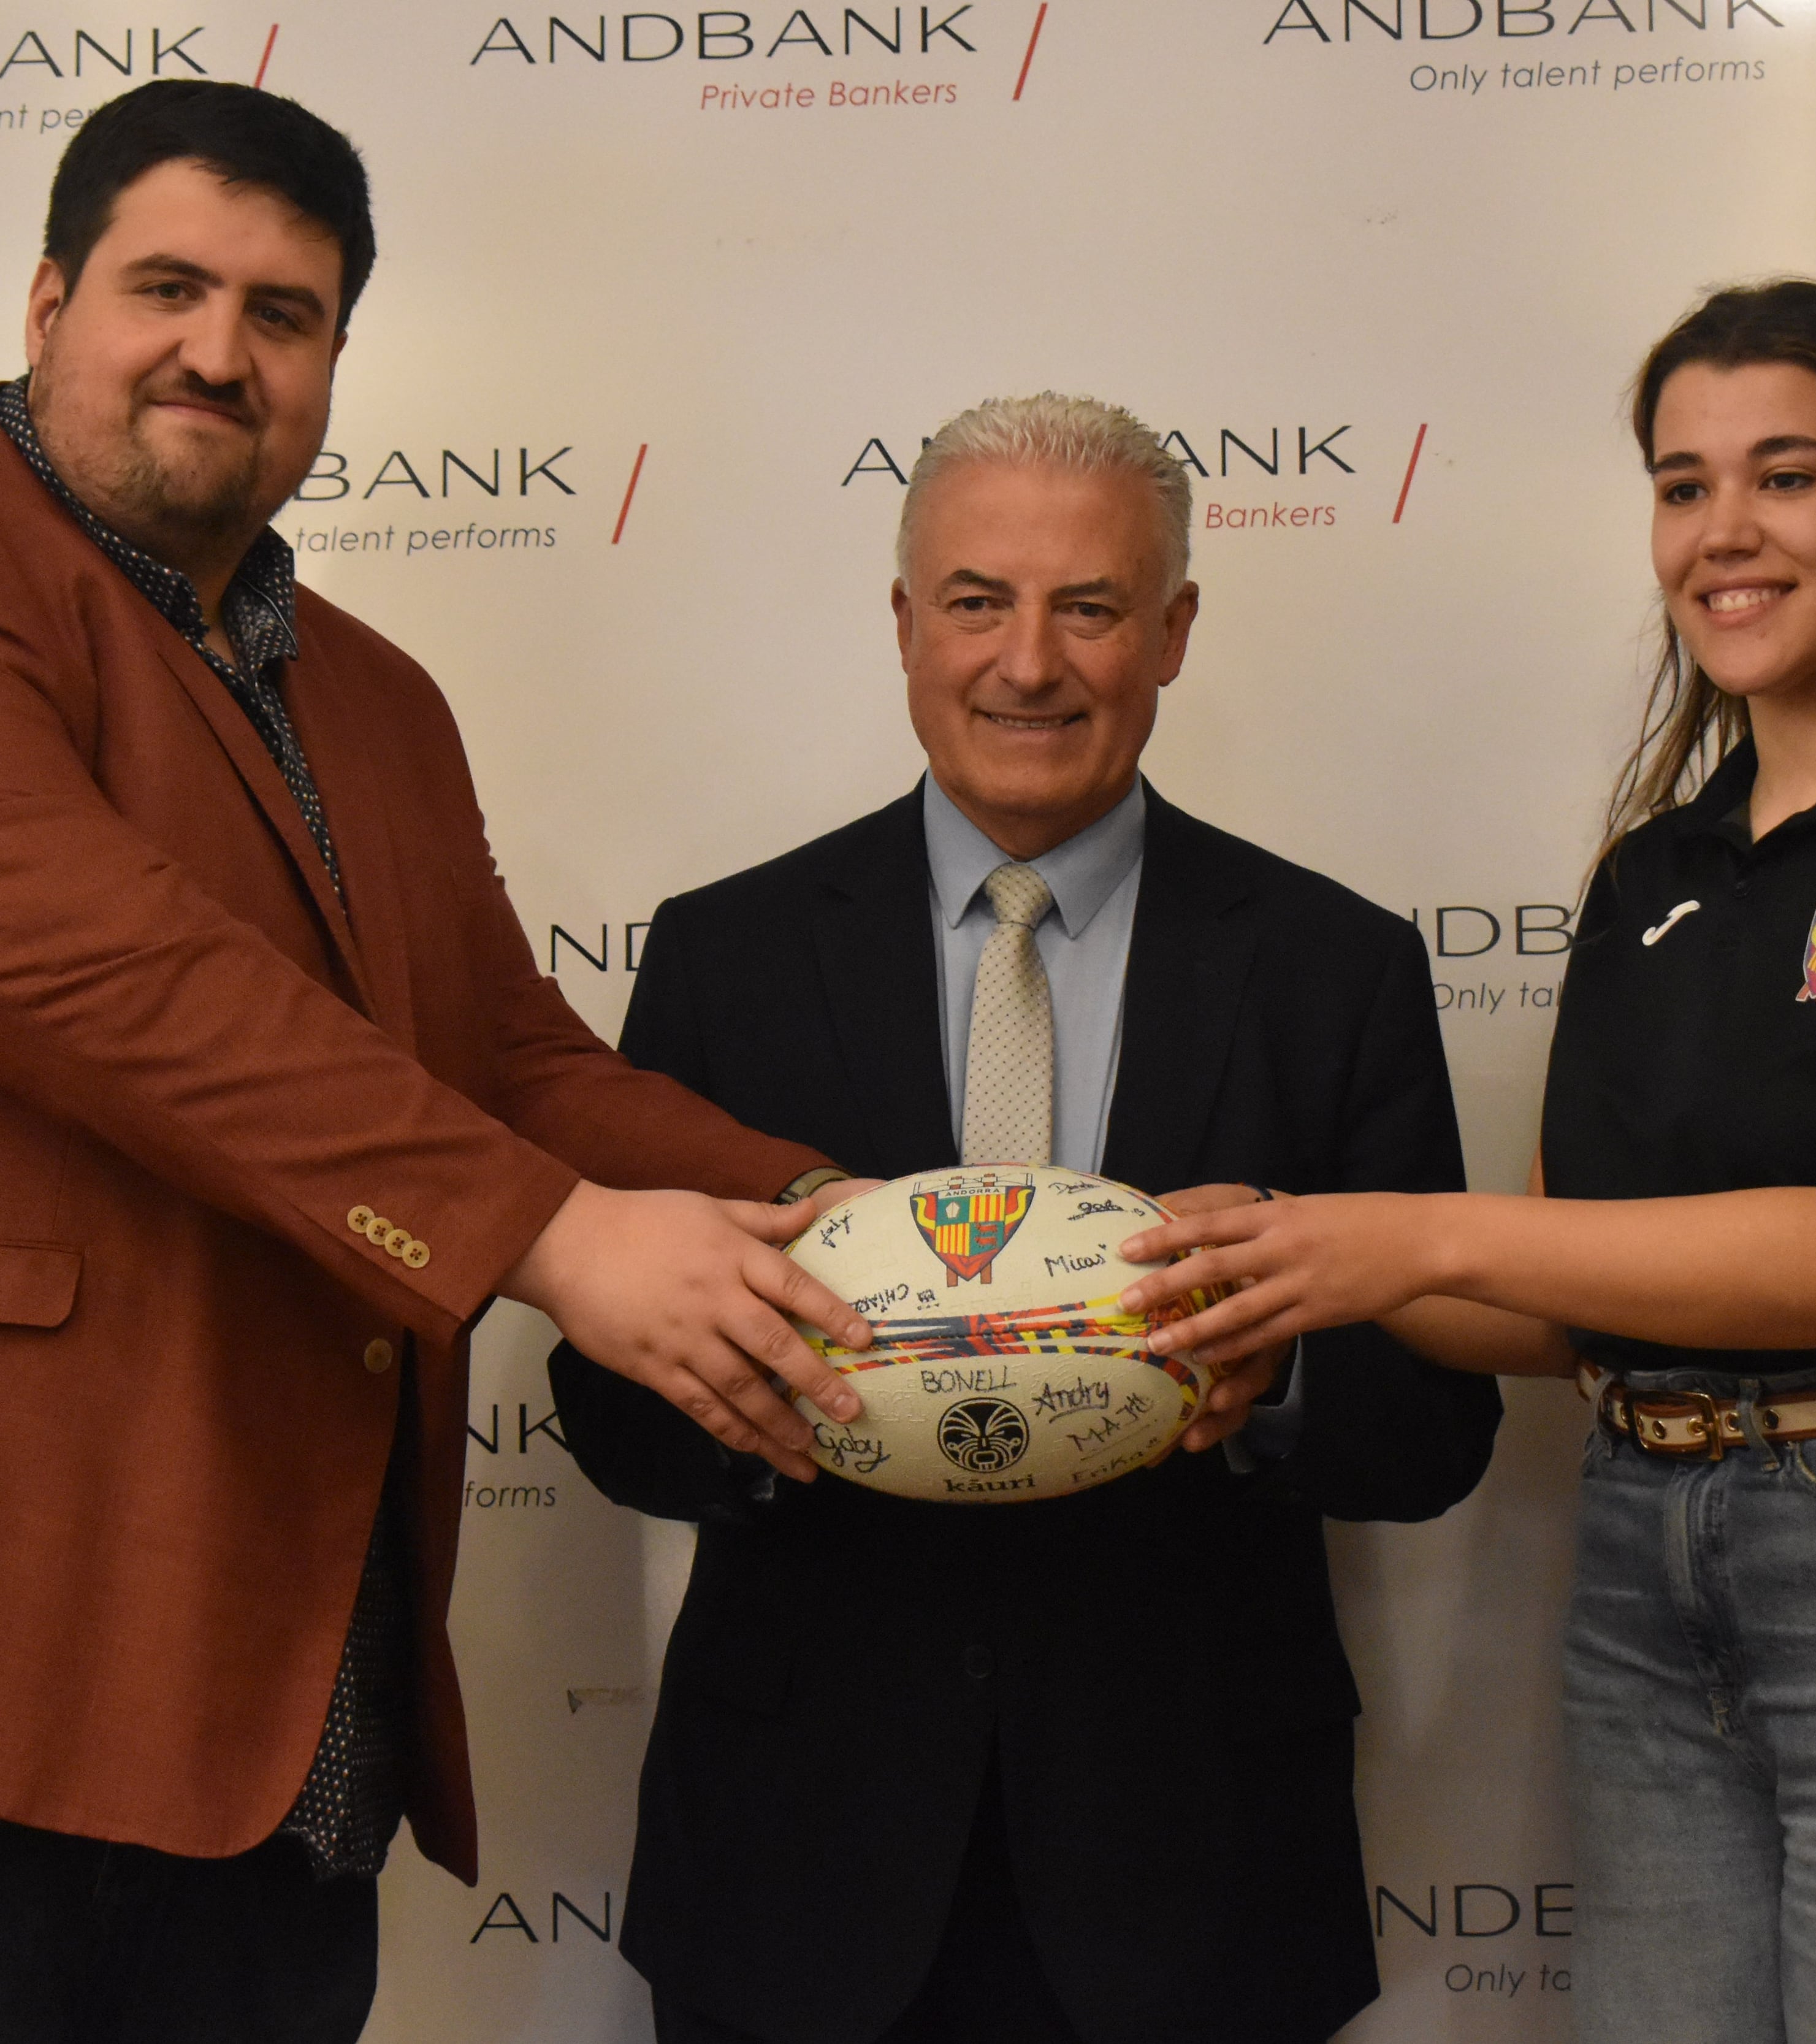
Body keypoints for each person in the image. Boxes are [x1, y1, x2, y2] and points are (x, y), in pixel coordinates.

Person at [0, 80, 876, 2042]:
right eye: (168, 286)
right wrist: (558, 1241)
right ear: (49, 298)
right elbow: (111, 985)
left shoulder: (376, 698)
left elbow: (503, 1058)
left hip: (236, 1706)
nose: (220, 353)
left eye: (286, 314)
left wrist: (843, 1224)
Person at [1121, 281, 1816, 2044]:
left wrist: (1407, 1233)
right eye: (1684, 486)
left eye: (1786, 476)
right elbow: (1561, 1298)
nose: (1725, 535)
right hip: (1646, 1561)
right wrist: (1294, 1261)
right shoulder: (1658, 869)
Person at [545, 393, 1505, 2044]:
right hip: (800, 1856)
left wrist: (1268, 1384)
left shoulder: (1333, 972)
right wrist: (754, 1405)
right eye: (978, 602)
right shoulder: (731, 956)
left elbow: (1433, 1431)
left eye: (1092, 606)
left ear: (1176, 631)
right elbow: (603, 1401)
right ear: (904, 624)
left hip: (1193, 1862)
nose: (1028, 663)